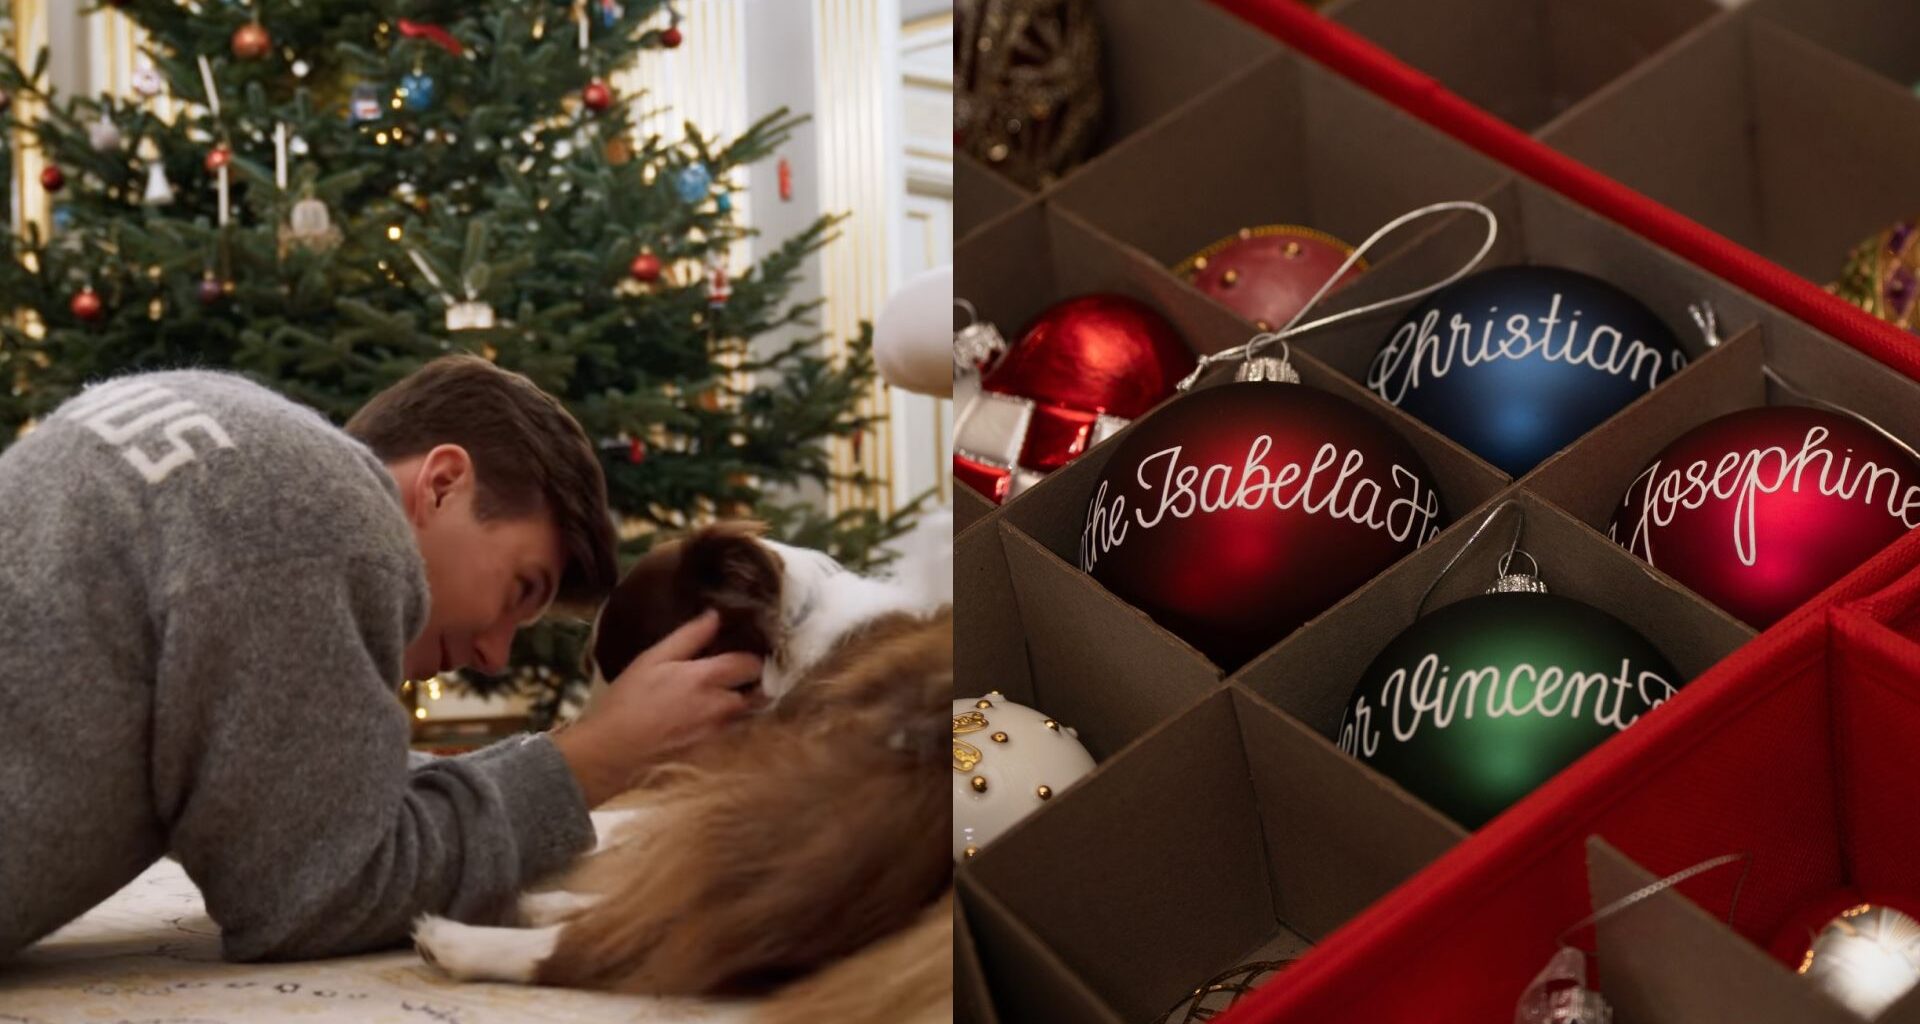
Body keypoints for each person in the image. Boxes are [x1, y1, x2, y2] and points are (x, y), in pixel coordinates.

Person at [0, 355, 763, 962]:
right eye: (518, 589)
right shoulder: (316, 510)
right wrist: (597, 758)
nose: (494, 655)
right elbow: (308, 895)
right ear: (443, 483)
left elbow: (325, 808)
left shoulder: (225, 434)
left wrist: (567, 758)